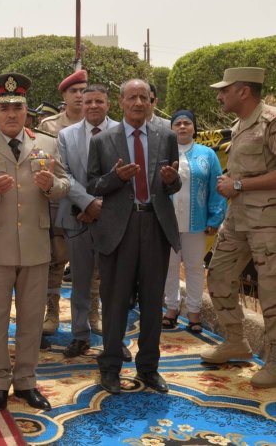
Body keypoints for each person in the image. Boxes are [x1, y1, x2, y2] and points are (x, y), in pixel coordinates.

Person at [0, 73, 70, 412]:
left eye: (17, 107)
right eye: (4, 107)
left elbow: (65, 184)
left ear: (27, 112)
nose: (11, 114)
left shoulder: (47, 143)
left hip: (35, 245)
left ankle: (26, 381)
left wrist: (51, 185)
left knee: (32, 318)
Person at [86, 78, 181, 395]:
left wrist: (171, 181)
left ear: (151, 101)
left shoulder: (166, 136)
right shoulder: (103, 140)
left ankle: (149, 368)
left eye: (144, 97)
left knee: (153, 302)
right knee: (114, 302)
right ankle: (110, 367)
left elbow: (172, 185)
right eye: (132, 97)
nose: (139, 103)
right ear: (121, 102)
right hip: (118, 230)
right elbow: (92, 186)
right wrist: (115, 177)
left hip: (155, 226)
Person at [202, 67, 276, 389]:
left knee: (271, 294)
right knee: (218, 274)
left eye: (225, 90)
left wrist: (240, 184)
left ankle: (274, 363)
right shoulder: (238, 125)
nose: (220, 95)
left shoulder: (271, 122)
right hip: (237, 219)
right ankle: (236, 341)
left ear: (244, 91)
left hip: (267, 222)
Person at [56, 84, 119, 358]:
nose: (93, 105)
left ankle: (114, 340)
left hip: (114, 220)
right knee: (80, 282)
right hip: (77, 218)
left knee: (114, 284)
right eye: (88, 101)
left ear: (108, 104)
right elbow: (64, 175)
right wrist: (88, 203)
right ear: (81, 104)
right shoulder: (66, 136)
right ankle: (80, 336)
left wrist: (101, 208)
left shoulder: (122, 132)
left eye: (99, 101)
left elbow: (127, 175)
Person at [162, 109, 226, 332]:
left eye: (187, 123)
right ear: (171, 128)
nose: (181, 127)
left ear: (194, 127)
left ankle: (194, 313)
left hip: (197, 222)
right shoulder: (163, 153)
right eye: (177, 123)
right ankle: (171, 309)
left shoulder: (207, 154)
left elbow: (216, 187)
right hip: (167, 223)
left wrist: (215, 217)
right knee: (169, 267)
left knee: (195, 267)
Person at [38, 69, 88, 336]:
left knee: (92, 265)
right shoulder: (50, 126)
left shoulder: (100, 123)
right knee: (55, 262)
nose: (80, 96)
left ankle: (93, 313)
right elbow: (49, 166)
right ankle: (52, 312)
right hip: (59, 203)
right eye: (74, 91)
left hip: (90, 206)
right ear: (64, 96)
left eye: (83, 90)